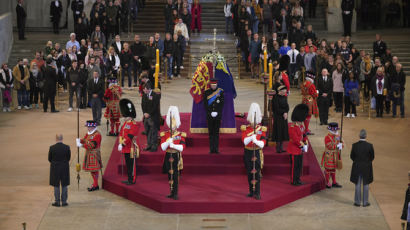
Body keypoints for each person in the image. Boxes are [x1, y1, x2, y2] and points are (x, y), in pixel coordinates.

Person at [241, 103, 266, 200]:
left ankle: (258, 192)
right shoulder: (245, 129)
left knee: (257, 173)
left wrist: (256, 141)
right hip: (248, 152)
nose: (254, 123)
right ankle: (251, 191)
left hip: (257, 152)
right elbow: (244, 141)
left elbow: (263, 143)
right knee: (249, 173)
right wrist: (251, 137)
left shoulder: (261, 129)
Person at [160, 106, 186, 200]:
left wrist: (173, 145)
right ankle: (171, 191)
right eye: (171, 125)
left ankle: (175, 192)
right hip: (168, 155)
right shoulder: (165, 134)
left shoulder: (180, 135)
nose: (173, 127)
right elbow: (162, 147)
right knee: (169, 174)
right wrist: (168, 142)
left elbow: (182, 147)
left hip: (176, 155)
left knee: (175, 174)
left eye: (174, 125)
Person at [118, 98, 140, 185]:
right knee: (128, 164)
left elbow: (130, 136)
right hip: (125, 147)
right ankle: (129, 178)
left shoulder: (134, 124)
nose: (124, 117)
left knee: (132, 165)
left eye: (125, 116)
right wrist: (120, 142)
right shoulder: (126, 123)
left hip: (130, 147)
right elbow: (121, 133)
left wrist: (122, 144)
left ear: (129, 116)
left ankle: (132, 179)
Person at [350, 129, 374, 207]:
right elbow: (372, 157)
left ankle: (357, 202)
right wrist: (367, 162)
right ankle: (365, 202)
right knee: (366, 184)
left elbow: (352, 156)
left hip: (357, 166)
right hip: (366, 167)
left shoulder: (355, 145)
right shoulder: (370, 145)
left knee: (357, 184)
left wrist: (356, 161)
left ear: (359, 136)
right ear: (366, 136)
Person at [76, 120, 102, 191]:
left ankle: (96, 184)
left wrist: (81, 145)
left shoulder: (97, 135)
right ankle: (95, 184)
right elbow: (85, 139)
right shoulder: (89, 133)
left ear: (93, 127)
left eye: (89, 127)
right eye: (87, 127)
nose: (88, 128)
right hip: (89, 154)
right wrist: (80, 140)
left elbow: (92, 145)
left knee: (94, 170)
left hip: (94, 154)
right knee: (92, 171)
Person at [288, 104, 309, 186]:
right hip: (294, 150)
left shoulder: (301, 126)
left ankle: (298, 179)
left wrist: (305, 141)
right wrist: (303, 145)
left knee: (299, 166)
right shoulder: (292, 127)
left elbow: (303, 135)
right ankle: (294, 180)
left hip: (300, 150)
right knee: (294, 166)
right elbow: (296, 139)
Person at [48, 134, 71, 207]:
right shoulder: (67, 147)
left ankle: (57, 202)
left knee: (56, 185)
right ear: (62, 138)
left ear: (56, 139)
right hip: (64, 168)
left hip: (55, 168)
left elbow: (49, 159)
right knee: (64, 185)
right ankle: (64, 202)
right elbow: (68, 158)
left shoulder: (52, 148)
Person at [204, 78, 225, 154]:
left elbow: (222, 104)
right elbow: (205, 104)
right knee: (211, 133)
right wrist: (210, 113)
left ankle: (216, 149)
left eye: (215, 85)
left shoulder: (221, 92)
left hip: (217, 115)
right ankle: (211, 149)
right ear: (210, 85)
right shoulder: (206, 92)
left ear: (216, 84)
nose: (213, 86)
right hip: (210, 115)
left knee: (216, 133)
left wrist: (217, 112)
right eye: (212, 85)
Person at [321, 122, 344, 189]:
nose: (336, 131)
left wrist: (341, 145)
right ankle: (327, 182)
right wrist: (338, 145)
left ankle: (334, 182)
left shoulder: (337, 136)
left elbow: (342, 144)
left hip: (335, 155)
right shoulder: (327, 137)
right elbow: (330, 146)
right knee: (328, 169)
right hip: (329, 155)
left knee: (334, 169)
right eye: (335, 130)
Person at [141, 83, 161, 152]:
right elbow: (142, 105)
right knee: (148, 131)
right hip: (146, 117)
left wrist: (149, 113)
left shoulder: (155, 96)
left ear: (149, 89)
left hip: (153, 117)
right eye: (144, 90)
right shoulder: (144, 95)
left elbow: (155, 107)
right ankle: (149, 145)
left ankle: (154, 146)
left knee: (153, 132)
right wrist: (144, 113)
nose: (144, 91)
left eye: (145, 90)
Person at [272, 85, 289, 153]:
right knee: (278, 131)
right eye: (284, 92)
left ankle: (281, 147)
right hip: (278, 117)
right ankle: (278, 147)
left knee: (283, 131)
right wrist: (283, 113)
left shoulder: (284, 97)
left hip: (284, 117)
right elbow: (276, 108)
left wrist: (286, 112)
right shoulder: (275, 98)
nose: (285, 93)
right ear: (280, 91)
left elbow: (287, 106)